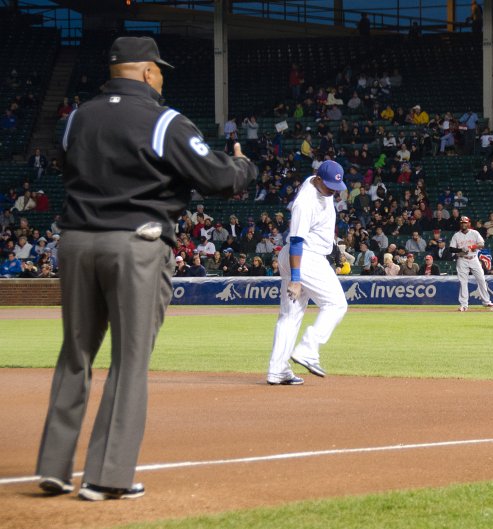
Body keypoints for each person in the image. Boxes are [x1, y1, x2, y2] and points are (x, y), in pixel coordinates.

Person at [35, 37, 256, 501]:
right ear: (147, 71)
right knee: (129, 360)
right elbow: (218, 179)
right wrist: (241, 164)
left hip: (75, 242)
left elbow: (67, 167)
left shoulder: (76, 117)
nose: (161, 78)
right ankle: (107, 476)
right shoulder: (164, 121)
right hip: (135, 244)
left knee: (75, 354)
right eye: (159, 70)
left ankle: (53, 467)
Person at [267, 160, 348, 386]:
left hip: (305, 255)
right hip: (304, 256)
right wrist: (296, 279)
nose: (333, 191)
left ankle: (277, 370)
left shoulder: (313, 182)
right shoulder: (305, 203)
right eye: (329, 185)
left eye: (336, 186)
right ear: (318, 179)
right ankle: (308, 350)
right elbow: (296, 241)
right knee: (336, 304)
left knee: (290, 316)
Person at [450, 216, 493, 311]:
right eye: (462, 223)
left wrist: (472, 247)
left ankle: (486, 301)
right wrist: (461, 250)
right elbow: (451, 249)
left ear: (469, 223)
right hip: (462, 259)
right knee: (463, 282)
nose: (463, 224)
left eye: (465, 222)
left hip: (474, 258)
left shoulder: (474, 233)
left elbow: (482, 244)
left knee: (481, 279)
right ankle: (464, 304)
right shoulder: (456, 235)